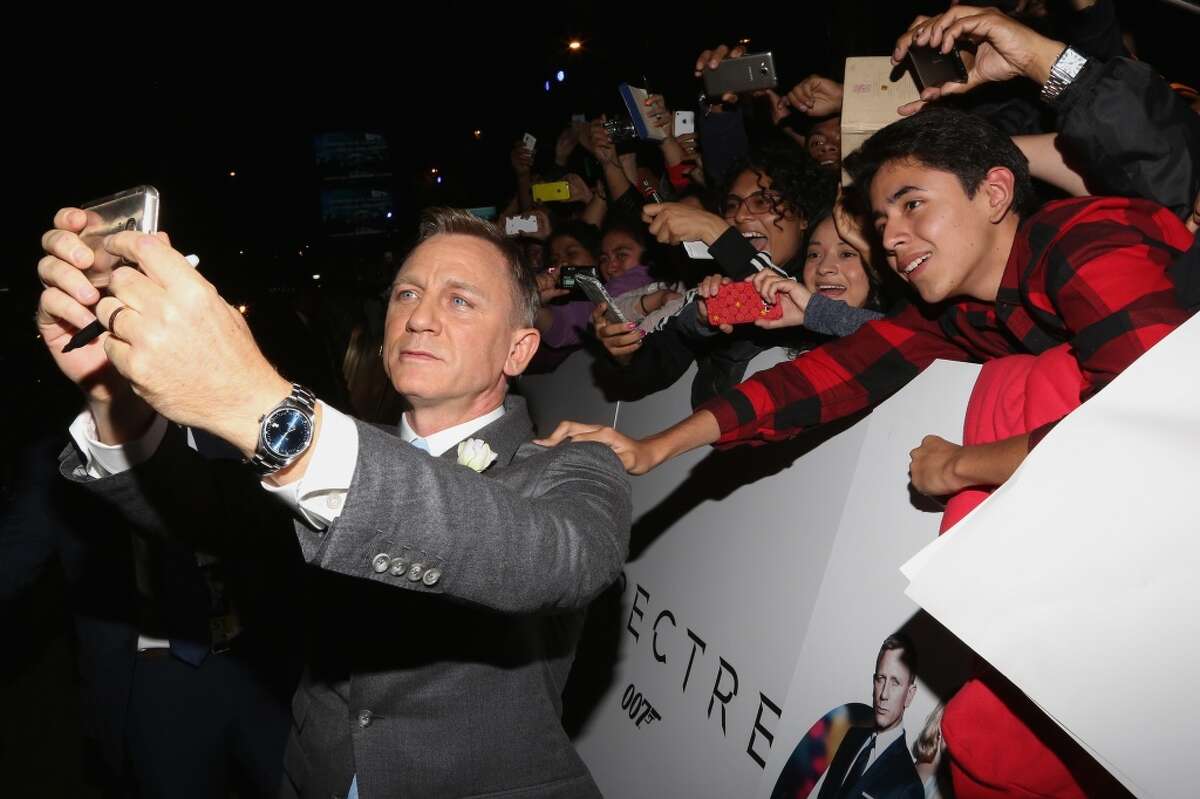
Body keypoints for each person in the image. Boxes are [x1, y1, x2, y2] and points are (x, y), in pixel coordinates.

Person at [36, 206, 632, 798]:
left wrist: (258, 404)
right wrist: (115, 400)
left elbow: (560, 560)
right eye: (405, 294)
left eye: (460, 301)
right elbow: (206, 514)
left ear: (519, 350)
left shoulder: (571, 466)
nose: (420, 318)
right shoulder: (334, 457)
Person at [815, 634, 922, 799]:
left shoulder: (908, 787)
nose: (884, 694)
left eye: (895, 683)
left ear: (909, 694)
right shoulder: (852, 736)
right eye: (881, 679)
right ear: (874, 683)